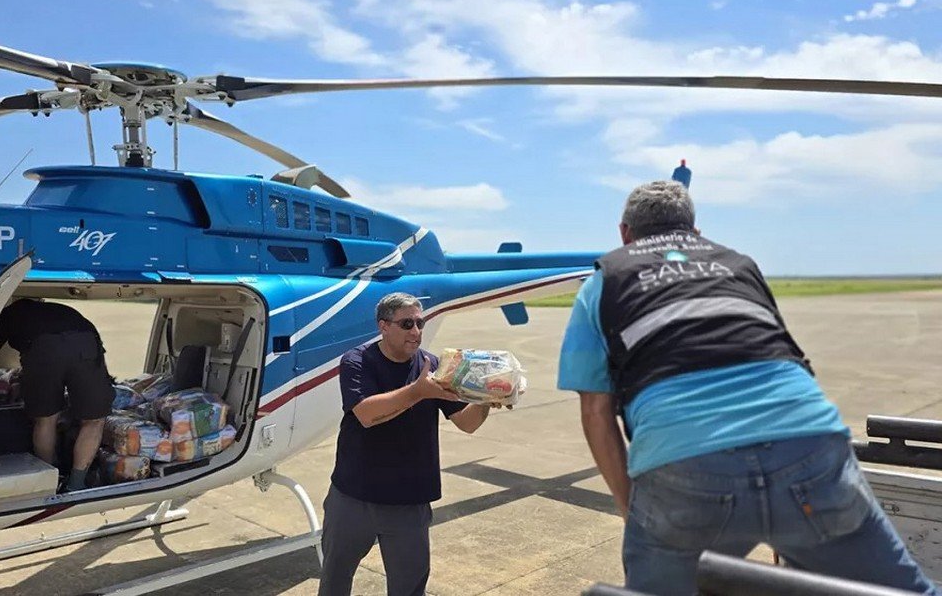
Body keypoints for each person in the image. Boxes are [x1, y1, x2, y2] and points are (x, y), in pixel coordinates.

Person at [558, 180, 938, 596]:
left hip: (684, 462)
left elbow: (596, 411)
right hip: (807, 446)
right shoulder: (739, 265)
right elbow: (778, 353)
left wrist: (631, 509)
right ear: (696, 232)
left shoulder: (603, 281)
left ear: (624, 234)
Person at [319, 292, 499, 596]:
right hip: (353, 498)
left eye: (420, 323)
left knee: (409, 588)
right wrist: (417, 392)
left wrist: (486, 399)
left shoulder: (434, 366)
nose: (416, 331)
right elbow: (366, 414)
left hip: (409, 503)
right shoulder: (357, 361)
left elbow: (466, 423)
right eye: (407, 324)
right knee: (335, 581)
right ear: (383, 326)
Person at [0, 299, 114, 492]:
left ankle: (48, 481)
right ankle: (76, 484)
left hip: (43, 349)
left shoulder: (7, 314)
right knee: (94, 420)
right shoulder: (60, 310)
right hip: (86, 342)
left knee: (46, 420)